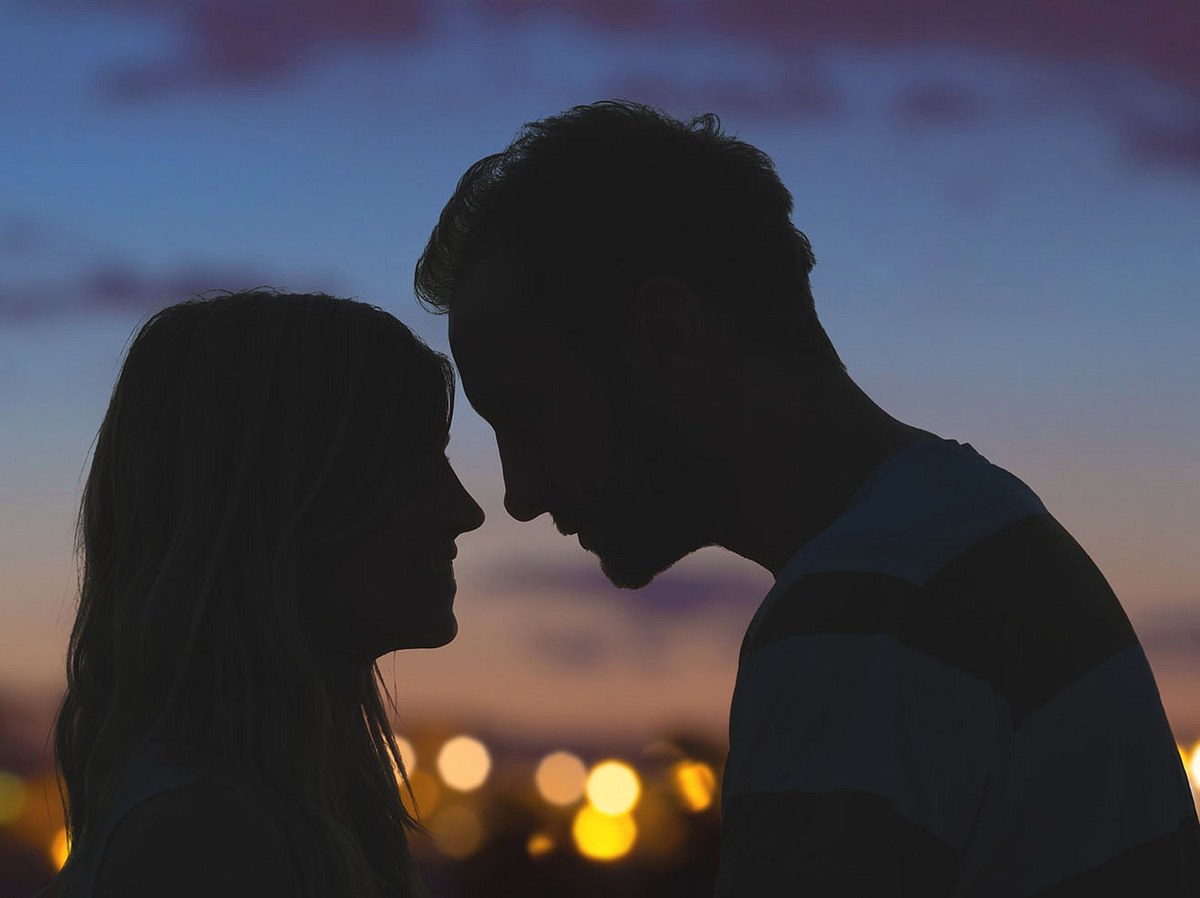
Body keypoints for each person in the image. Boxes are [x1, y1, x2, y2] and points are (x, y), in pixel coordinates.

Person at [414, 99, 1200, 896]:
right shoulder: (975, 532)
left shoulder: (869, 618)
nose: (518, 495)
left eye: (527, 413)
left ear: (666, 335)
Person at [36, 289, 485, 898]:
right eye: (412, 463)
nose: (465, 510)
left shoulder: (250, 816)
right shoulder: (210, 841)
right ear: (279, 499)